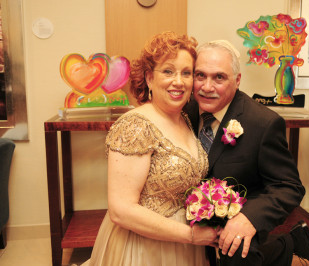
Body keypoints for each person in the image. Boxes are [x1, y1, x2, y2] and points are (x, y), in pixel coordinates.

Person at [84, 31, 218, 266]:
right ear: (148, 78)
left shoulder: (185, 119)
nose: (178, 81)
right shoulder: (135, 125)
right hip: (143, 248)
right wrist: (191, 235)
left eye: (186, 73)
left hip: (184, 247)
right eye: (168, 71)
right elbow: (121, 210)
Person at [184, 40, 309, 266]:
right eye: (200, 75)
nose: (207, 87)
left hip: (239, 216)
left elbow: (290, 187)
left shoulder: (263, 123)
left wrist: (248, 218)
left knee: (235, 250)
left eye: (219, 77)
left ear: (237, 81)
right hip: (196, 215)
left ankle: (293, 254)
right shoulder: (184, 110)